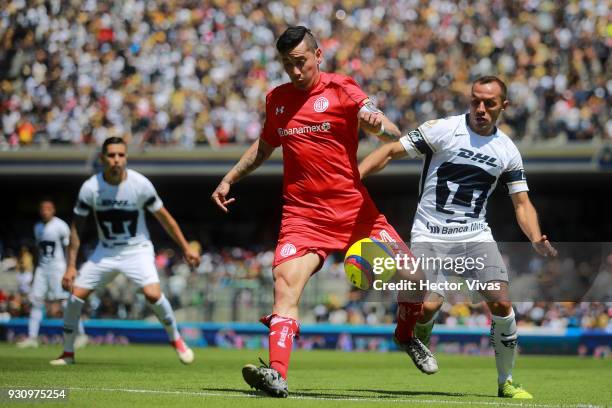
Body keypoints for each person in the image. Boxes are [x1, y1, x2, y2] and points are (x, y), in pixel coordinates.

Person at [211, 26, 436, 398]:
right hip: (303, 217)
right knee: (285, 289)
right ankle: (277, 375)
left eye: (300, 62)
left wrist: (381, 126)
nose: (295, 72)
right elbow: (265, 145)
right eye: (287, 65)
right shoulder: (277, 100)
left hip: (355, 213)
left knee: (415, 282)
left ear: (317, 56)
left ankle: (405, 335)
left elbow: (382, 124)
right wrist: (229, 178)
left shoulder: (342, 88)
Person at [359, 75, 558, 399]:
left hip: (474, 234)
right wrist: (354, 177)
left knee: (502, 302)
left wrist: (535, 237)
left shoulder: (507, 150)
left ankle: (506, 381)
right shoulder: (443, 129)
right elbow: (392, 151)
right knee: (423, 309)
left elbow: (521, 203)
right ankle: (418, 328)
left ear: (503, 107)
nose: (480, 108)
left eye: (489, 103)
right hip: (430, 232)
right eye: (475, 100)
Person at [50, 137, 200, 365]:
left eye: (121, 155)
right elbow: (76, 229)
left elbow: (165, 219)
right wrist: (71, 266)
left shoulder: (140, 184)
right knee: (74, 297)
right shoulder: (90, 188)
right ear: (102, 159)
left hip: (136, 250)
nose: (116, 160)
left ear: (126, 157)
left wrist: (186, 247)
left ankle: (177, 340)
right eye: (111, 155)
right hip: (105, 252)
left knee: (152, 294)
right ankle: (68, 353)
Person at [17, 199, 87, 349]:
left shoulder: (60, 226)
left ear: (53, 210)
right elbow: (37, 251)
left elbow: (71, 248)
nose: (45, 211)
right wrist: (35, 271)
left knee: (66, 303)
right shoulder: (37, 227)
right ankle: (32, 337)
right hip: (42, 270)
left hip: (58, 269)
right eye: (43, 209)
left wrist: (70, 268)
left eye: (48, 209)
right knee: (36, 301)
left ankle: (81, 335)